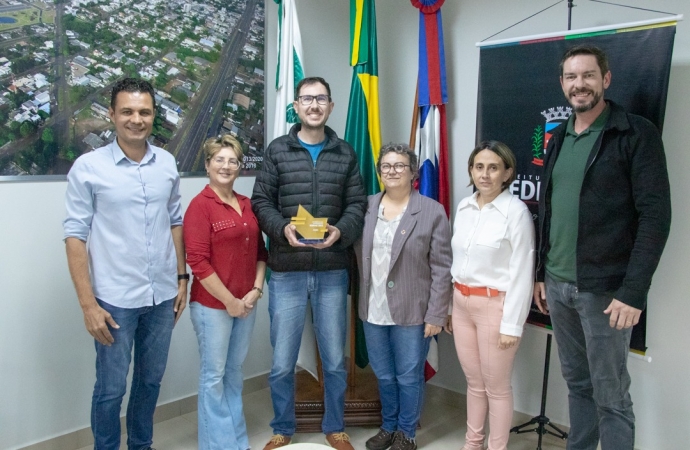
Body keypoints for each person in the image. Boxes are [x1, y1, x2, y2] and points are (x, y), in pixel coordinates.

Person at [533, 45, 671, 450]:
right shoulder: (558, 138)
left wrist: (633, 292)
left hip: (606, 292)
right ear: (562, 84)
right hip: (557, 286)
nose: (580, 84)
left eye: (588, 75)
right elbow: (551, 211)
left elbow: (655, 219)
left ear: (605, 79)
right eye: (571, 77)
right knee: (577, 385)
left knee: (611, 396)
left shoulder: (635, 133)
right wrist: (542, 274)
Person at [64, 78, 187, 450]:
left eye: (144, 112)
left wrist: (182, 279)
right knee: (111, 389)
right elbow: (74, 237)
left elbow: (175, 222)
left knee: (150, 384)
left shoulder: (166, 163)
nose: (137, 119)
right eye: (128, 111)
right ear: (112, 114)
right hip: (114, 301)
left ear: (153, 116)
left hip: (163, 296)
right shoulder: (88, 168)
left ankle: (140, 446)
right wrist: (88, 305)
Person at [251, 76, 366, 450]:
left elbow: (357, 206)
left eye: (321, 99)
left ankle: (335, 425)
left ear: (331, 106)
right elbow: (261, 202)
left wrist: (342, 232)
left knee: (334, 361)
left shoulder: (345, 153)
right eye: (307, 99)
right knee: (282, 362)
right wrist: (282, 229)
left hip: (333, 269)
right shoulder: (277, 150)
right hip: (286, 271)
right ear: (297, 107)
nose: (314, 105)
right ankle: (283, 426)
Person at [355, 143, 452, 450]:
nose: (392, 171)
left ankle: (406, 433)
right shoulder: (366, 207)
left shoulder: (431, 211)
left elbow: (442, 267)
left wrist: (437, 314)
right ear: (379, 171)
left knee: (408, 377)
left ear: (413, 172)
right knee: (383, 374)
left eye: (399, 166)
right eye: (386, 166)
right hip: (373, 309)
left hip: (413, 311)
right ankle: (388, 426)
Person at [445, 141, 535, 450]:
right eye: (479, 167)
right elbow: (456, 262)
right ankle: (473, 444)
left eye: (493, 167)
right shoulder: (464, 206)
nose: (485, 174)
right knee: (474, 383)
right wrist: (448, 305)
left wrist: (512, 324)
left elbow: (524, 271)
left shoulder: (516, 212)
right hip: (461, 304)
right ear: (471, 170)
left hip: (495, 308)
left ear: (507, 173)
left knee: (496, 387)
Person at [183, 135, 268, 450]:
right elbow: (198, 263)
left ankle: (236, 443)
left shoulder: (247, 205)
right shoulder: (199, 207)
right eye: (219, 159)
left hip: (246, 304)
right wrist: (230, 301)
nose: (226, 166)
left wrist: (256, 290)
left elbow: (262, 252)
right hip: (213, 308)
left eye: (233, 160)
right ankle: (216, 445)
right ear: (207, 165)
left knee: (234, 375)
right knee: (213, 378)